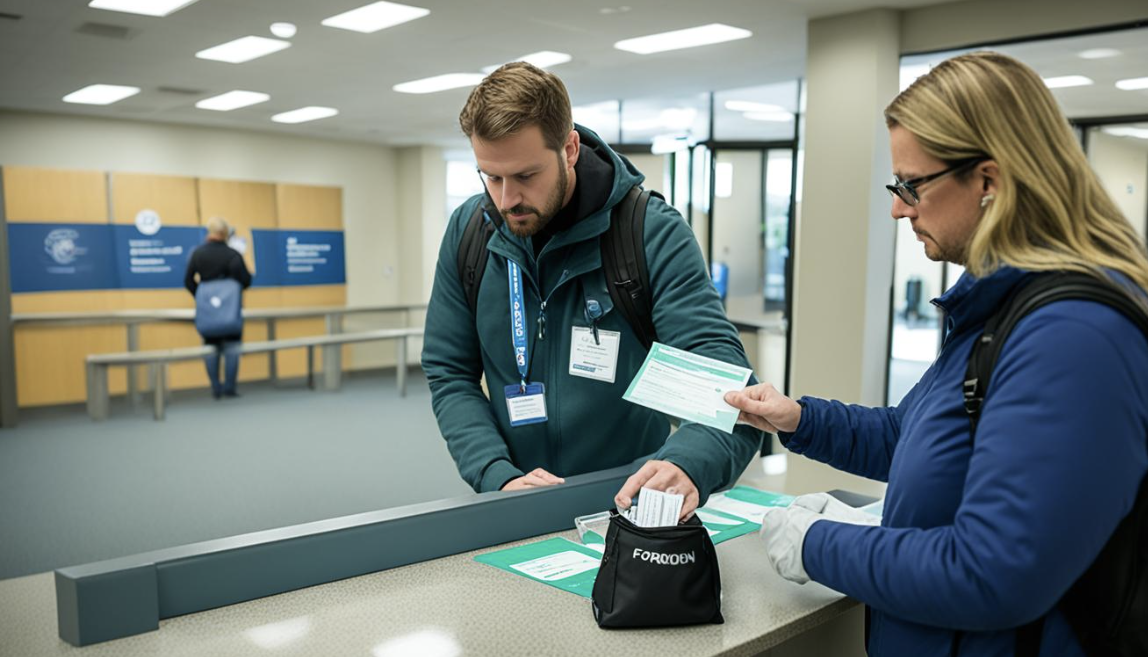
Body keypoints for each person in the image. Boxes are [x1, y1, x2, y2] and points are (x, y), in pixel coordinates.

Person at [723, 51, 1148, 656]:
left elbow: (993, 573)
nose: (898, 207)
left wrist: (816, 543)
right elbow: (915, 436)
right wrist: (799, 419)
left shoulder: (1074, 335)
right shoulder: (1001, 308)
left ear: (989, 181)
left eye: (912, 185)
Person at [421, 62, 762, 518]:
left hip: (632, 503)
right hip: (514, 498)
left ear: (570, 149)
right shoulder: (471, 232)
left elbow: (728, 391)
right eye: (492, 177)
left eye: (525, 176)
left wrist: (684, 465)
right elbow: (450, 372)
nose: (506, 200)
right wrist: (494, 472)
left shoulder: (648, 233)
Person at [184, 217, 252, 399]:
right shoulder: (233, 255)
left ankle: (216, 387)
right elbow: (246, 281)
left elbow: (188, 280)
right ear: (226, 234)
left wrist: (202, 298)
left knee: (210, 348)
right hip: (230, 312)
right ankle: (229, 387)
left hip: (209, 312)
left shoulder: (198, 253)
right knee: (232, 348)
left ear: (209, 232)